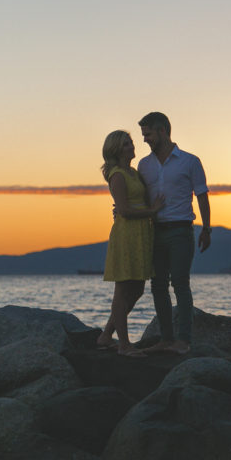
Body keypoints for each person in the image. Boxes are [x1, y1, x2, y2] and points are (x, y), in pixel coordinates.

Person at [136, 111, 211, 354]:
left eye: (148, 134)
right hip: (154, 231)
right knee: (157, 285)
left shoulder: (190, 161)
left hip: (181, 230)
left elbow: (202, 195)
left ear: (162, 131)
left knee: (180, 283)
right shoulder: (144, 165)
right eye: (143, 135)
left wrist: (207, 229)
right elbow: (140, 198)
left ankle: (184, 341)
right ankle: (166, 339)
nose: (145, 139)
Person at [98, 130, 165, 357]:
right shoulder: (117, 175)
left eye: (131, 142)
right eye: (126, 144)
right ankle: (124, 345)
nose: (131, 146)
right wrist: (152, 210)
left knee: (136, 289)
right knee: (123, 289)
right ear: (116, 150)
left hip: (141, 234)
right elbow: (125, 210)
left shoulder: (133, 173)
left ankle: (107, 335)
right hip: (127, 235)